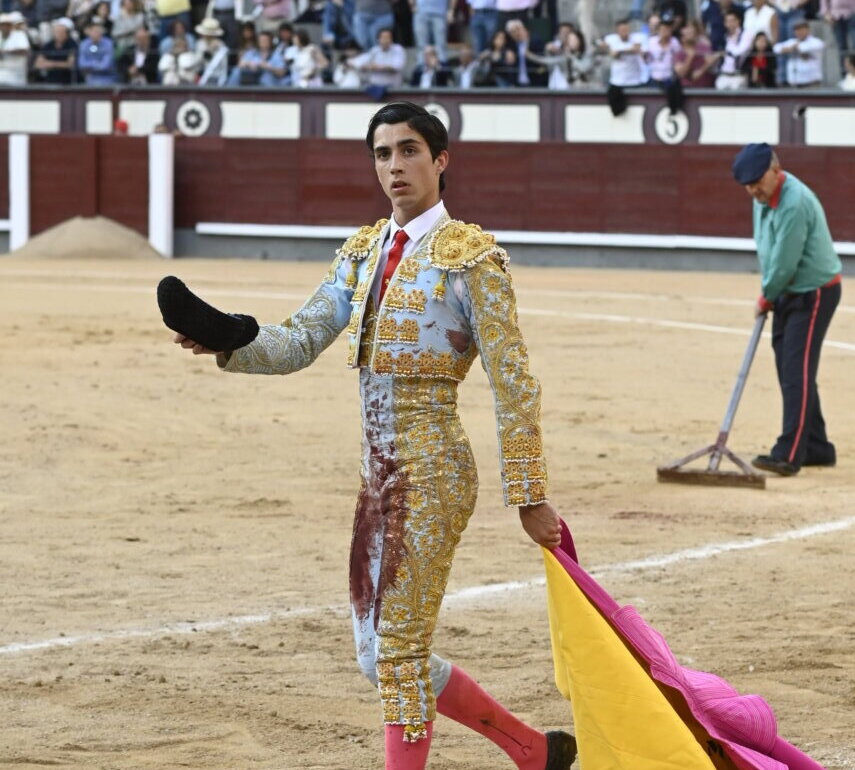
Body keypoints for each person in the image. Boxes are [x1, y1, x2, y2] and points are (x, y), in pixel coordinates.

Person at [167, 100, 577, 770]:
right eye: (382, 153)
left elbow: (514, 384)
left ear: (440, 161)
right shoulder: (361, 255)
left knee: (397, 653)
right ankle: (532, 751)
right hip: (378, 479)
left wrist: (529, 494)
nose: (394, 166)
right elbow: (299, 340)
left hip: (434, 474)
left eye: (409, 150)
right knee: (373, 653)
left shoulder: (472, 261)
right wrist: (229, 339)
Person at [731, 143, 841, 477]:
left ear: (775, 170)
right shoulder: (761, 199)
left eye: (757, 181)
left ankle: (789, 453)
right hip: (788, 292)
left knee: (796, 370)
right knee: (792, 368)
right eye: (747, 185)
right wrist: (773, 291)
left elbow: (786, 260)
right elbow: (768, 248)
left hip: (814, 292)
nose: (752, 189)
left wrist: (766, 296)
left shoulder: (795, 202)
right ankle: (818, 446)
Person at [772, 18, 824, 87]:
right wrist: (788, 49)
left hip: (812, 83)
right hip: (795, 83)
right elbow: (775, 48)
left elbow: (806, 48)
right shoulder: (792, 42)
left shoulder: (816, 41)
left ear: (808, 29)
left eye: (802, 29)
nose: (799, 32)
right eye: (797, 29)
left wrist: (795, 48)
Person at [603, 16, 647, 87]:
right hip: (617, 80)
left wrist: (620, 51)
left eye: (627, 29)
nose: (625, 32)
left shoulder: (637, 37)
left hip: (634, 80)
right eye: (622, 30)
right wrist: (627, 50)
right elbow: (614, 55)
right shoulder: (611, 39)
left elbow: (636, 49)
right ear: (617, 31)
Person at [713, 8, 750, 88]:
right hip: (724, 74)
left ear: (738, 21)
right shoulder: (724, 37)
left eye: (732, 20)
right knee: (719, 86)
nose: (730, 24)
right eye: (728, 21)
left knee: (736, 89)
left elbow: (739, 52)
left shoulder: (745, 34)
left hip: (739, 75)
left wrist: (733, 40)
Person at [33, 16, 77, 83]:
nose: (58, 34)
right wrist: (61, 64)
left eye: (61, 32)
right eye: (56, 32)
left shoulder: (72, 44)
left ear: (67, 33)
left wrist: (50, 64)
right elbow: (38, 64)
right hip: (50, 81)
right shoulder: (48, 45)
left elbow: (71, 64)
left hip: (68, 82)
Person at [674, 19, 716, 86]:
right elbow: (681, 74)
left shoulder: (705, 47)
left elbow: (712, 65)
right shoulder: (679, 53)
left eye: (692, 32)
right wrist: (690, 57)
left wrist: (711, 62)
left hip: (707, 87)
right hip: (688, 88)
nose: (691, 34)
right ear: (682, 37)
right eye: (688, 33)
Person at [78, 16, 116, 83]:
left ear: (102, 31)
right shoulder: (83, 44)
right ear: (89, 31)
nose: (96, 33)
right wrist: (96, 63)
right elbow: (82, 64)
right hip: (89, 78)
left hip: (107, 78)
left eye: (98, 31)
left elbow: (105, 66)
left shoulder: (109, 44)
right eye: (94, 31)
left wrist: (90, 66)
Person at [822, 0, 855, 77]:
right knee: (842, 47)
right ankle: (845, 74)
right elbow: (824, 3)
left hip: (853, 14)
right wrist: (827, 14)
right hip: (835, 16)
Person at [0, 10, 31, 85]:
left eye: (7, 25)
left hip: (15, 71)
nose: (5, 27)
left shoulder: (19, 34)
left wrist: (5, 52)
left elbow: (25, 50)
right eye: (2, 25)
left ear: (11, 26)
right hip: (2, 69)